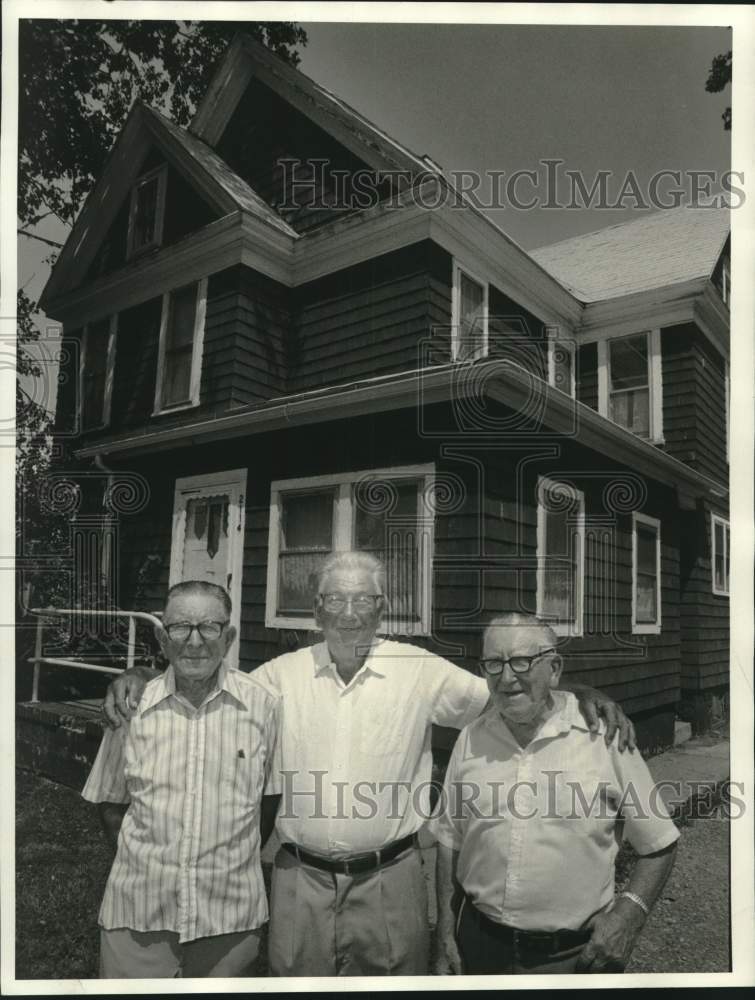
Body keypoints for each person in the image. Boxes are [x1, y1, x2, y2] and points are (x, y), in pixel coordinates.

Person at [103, 551, 636, 976]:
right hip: (298, 881)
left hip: (392, 879)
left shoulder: (419, 669)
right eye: (334, 599)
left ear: (383, 609)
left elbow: (507, 689)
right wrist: (140, 674)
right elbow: (205, 675)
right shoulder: (278, 677)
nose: (349, 613)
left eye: (363, 600)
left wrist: (576, 691)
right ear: (315, 611)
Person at [432, 612, 679, 976]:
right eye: (493, 664)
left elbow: (659, 845)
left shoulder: (604, 737)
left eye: (521, 662)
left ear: (554, 668)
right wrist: (443, 933)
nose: (506, 677)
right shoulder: (471, 738)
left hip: (574, 960)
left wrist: (630, 913)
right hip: (480, 949)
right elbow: (448, 841)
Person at [82, 581, 281, 978]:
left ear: (229, 637)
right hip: (136, 918)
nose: (195, 642)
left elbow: (268, 803)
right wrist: (149, 867)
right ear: (161, 637)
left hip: (230, 921)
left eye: (209, 627)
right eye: (180, 628)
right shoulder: (130, 707)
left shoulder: (264, 705)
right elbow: (110, 806)